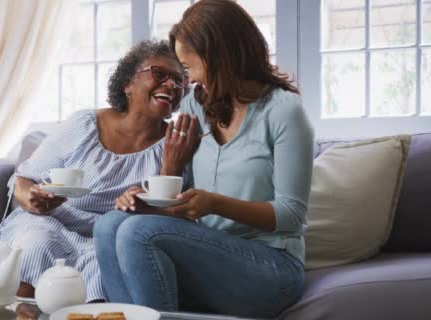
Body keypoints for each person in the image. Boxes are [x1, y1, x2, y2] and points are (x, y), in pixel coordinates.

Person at [93, 0, 314, 317]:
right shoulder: (198, 106)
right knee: (110, 224)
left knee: (137, 232)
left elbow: (291, 214)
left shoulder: (284, 111)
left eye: (191, 67)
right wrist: (149, 201)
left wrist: (215, 203)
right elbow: (187, 200)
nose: (189, 79)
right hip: (209, 250)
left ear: (222, 57)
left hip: (271, 265)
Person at [0, 40, 188, 302]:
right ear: (128, 83)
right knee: (36, 244)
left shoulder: (176, 145)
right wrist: (31, 197)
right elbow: (22, 178)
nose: (171, 85)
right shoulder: (85, 125)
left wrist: (171, 167)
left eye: (179, 80)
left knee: (104, 268)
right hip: (51, 222)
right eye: (160, 74)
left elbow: (171, 216)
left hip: (108, 240)